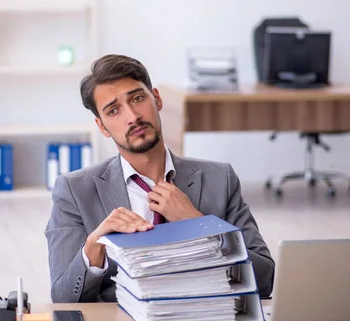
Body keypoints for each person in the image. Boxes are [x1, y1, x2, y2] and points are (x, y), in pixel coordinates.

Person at [45, 54, 274, 302]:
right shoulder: (74, 191)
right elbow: (63, 298)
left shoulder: (220, 178)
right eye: (114, 110)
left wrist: (201, 226)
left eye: (138, 98)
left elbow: (264, 281)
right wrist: (94, 247)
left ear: (157, 99)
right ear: (102, 127)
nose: (132, 116)